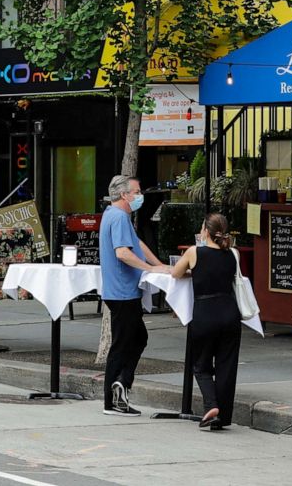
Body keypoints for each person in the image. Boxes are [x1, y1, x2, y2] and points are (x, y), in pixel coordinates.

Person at [100, 175, 170, 417]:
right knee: (123, 343)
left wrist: (159, 265)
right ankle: (113, 398)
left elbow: (137, 244)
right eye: (137, 192)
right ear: (124, 195)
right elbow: (123, 253)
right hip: (122, 291)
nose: (140, 196)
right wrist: (151, 268)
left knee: (137, 337)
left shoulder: (115, 215)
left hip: (120, 290)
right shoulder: (119, 217)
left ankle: (121, 383)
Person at [171, 213, 242, 430]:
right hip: (230, 313)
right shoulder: (233, 253)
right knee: (226, 367)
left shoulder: (195, 252)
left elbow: (176, 272)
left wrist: (195, 272)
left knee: (201, 364)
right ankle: (223, 416)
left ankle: (212, 405)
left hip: (205, 312)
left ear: (205, 232)